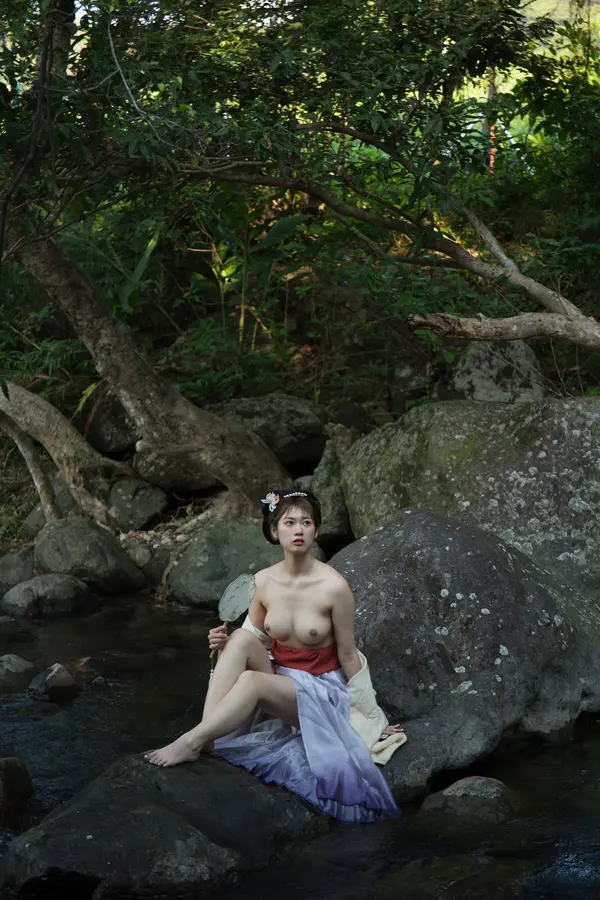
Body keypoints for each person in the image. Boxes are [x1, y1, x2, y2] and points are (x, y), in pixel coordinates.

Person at [145, 489, 405, 822]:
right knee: (239, 638)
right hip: (282, 678)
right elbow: (255, 639)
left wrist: (370, 716)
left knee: (252, 682)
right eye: (289, 522)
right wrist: (222, 643)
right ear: (274, 530)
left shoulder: (334, 587)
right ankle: (207, 738)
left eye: (306, 522)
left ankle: (192, 739)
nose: (298, 530)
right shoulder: (262, 582)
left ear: (316, 530)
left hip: (321, 690)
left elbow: (348, 654)